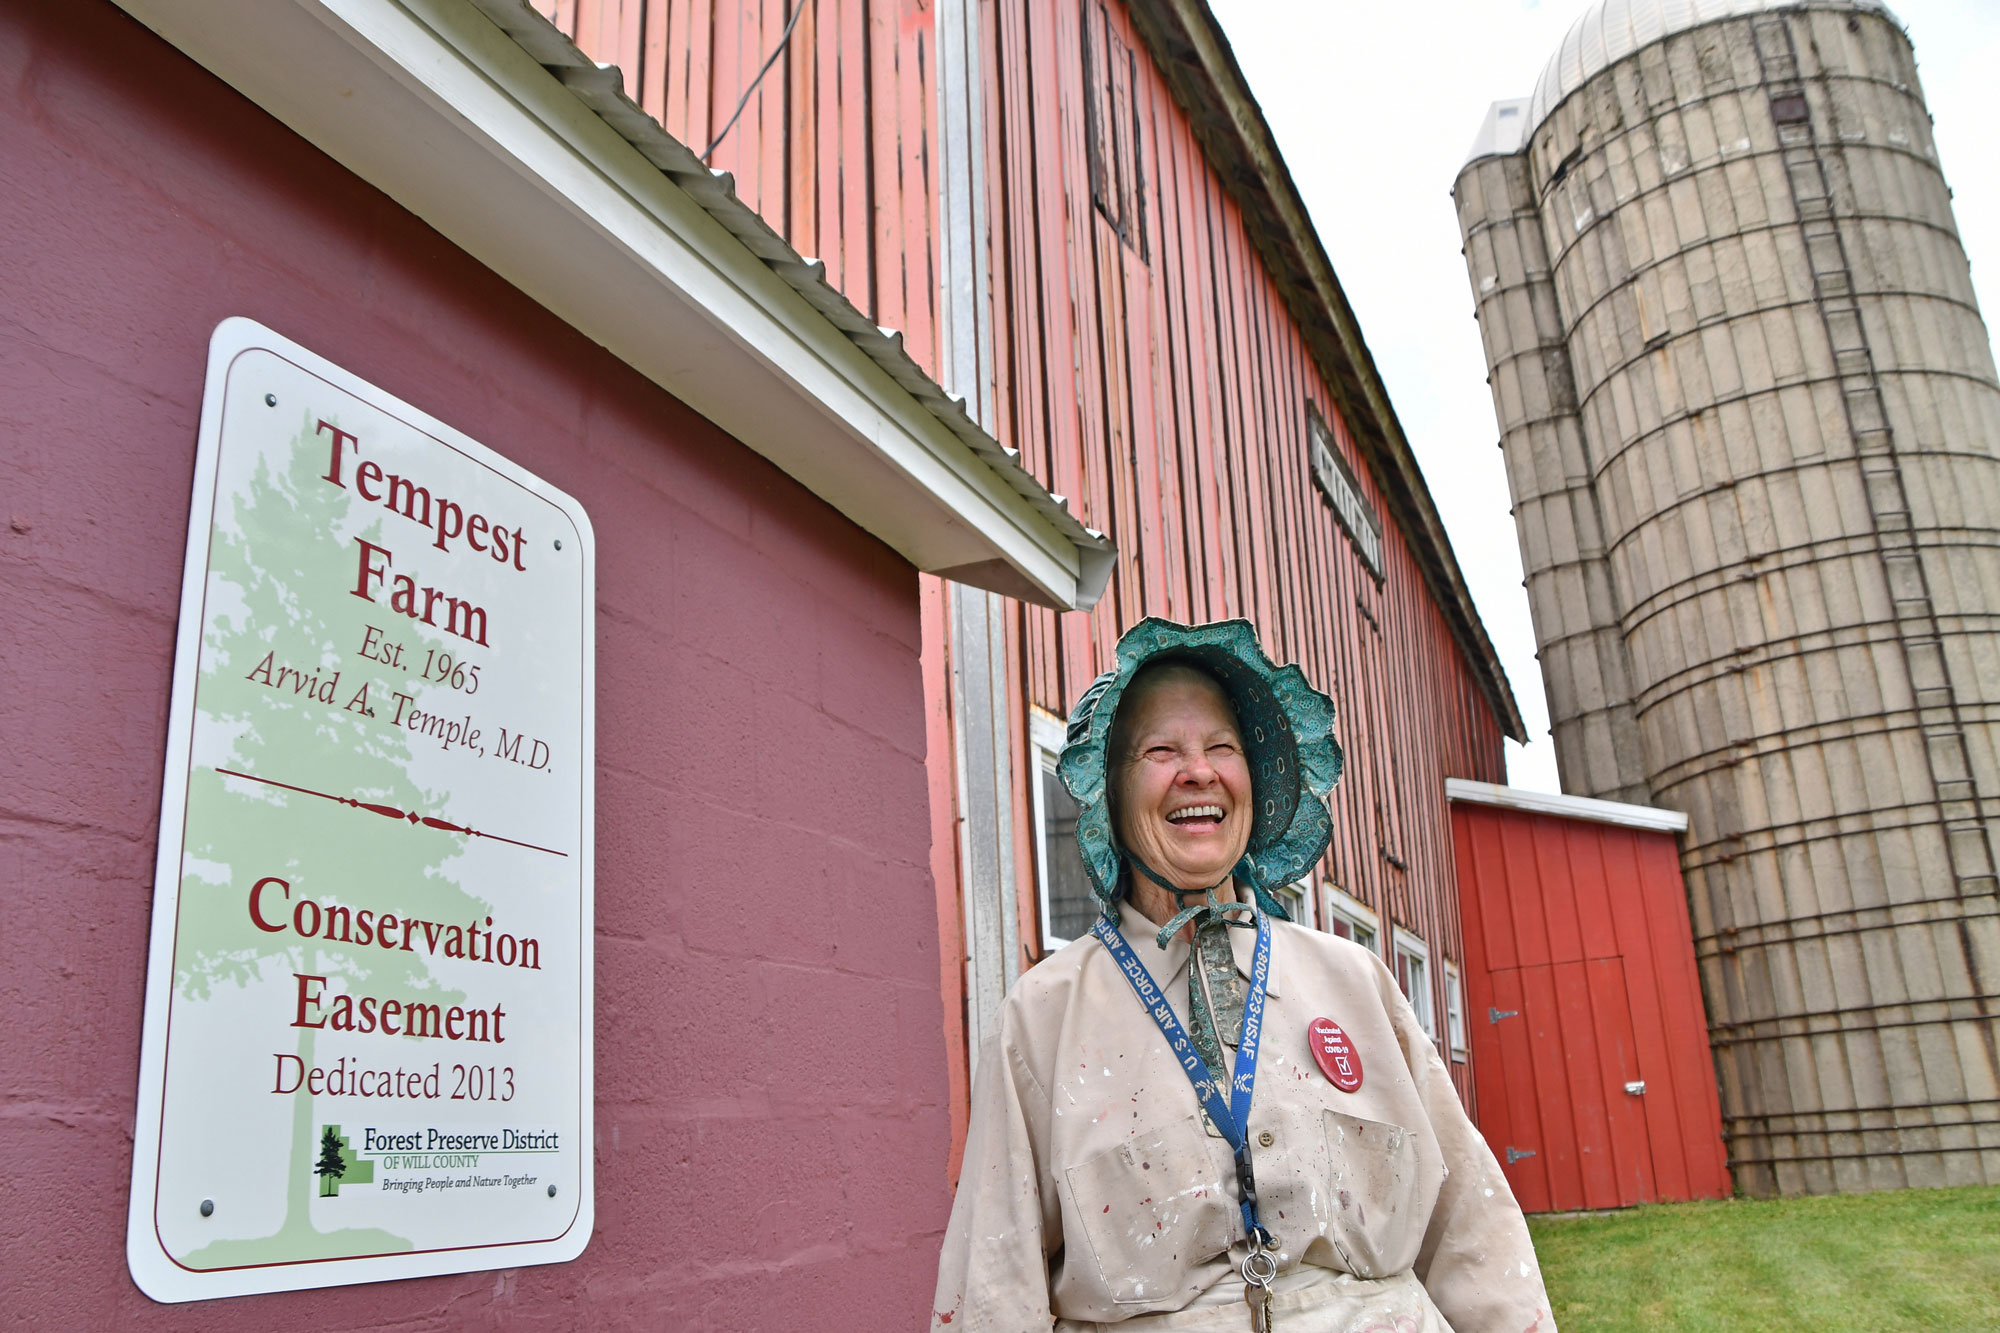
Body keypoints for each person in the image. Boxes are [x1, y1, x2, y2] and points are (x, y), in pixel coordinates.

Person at [931, 618, 1554, 1332]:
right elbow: (992, 1288)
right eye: (1162, 750)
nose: (1199, 771)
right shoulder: (1042, 1018)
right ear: (1110, 791)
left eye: (1221, 747)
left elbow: (1473, 1230)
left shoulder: (1356, 981)